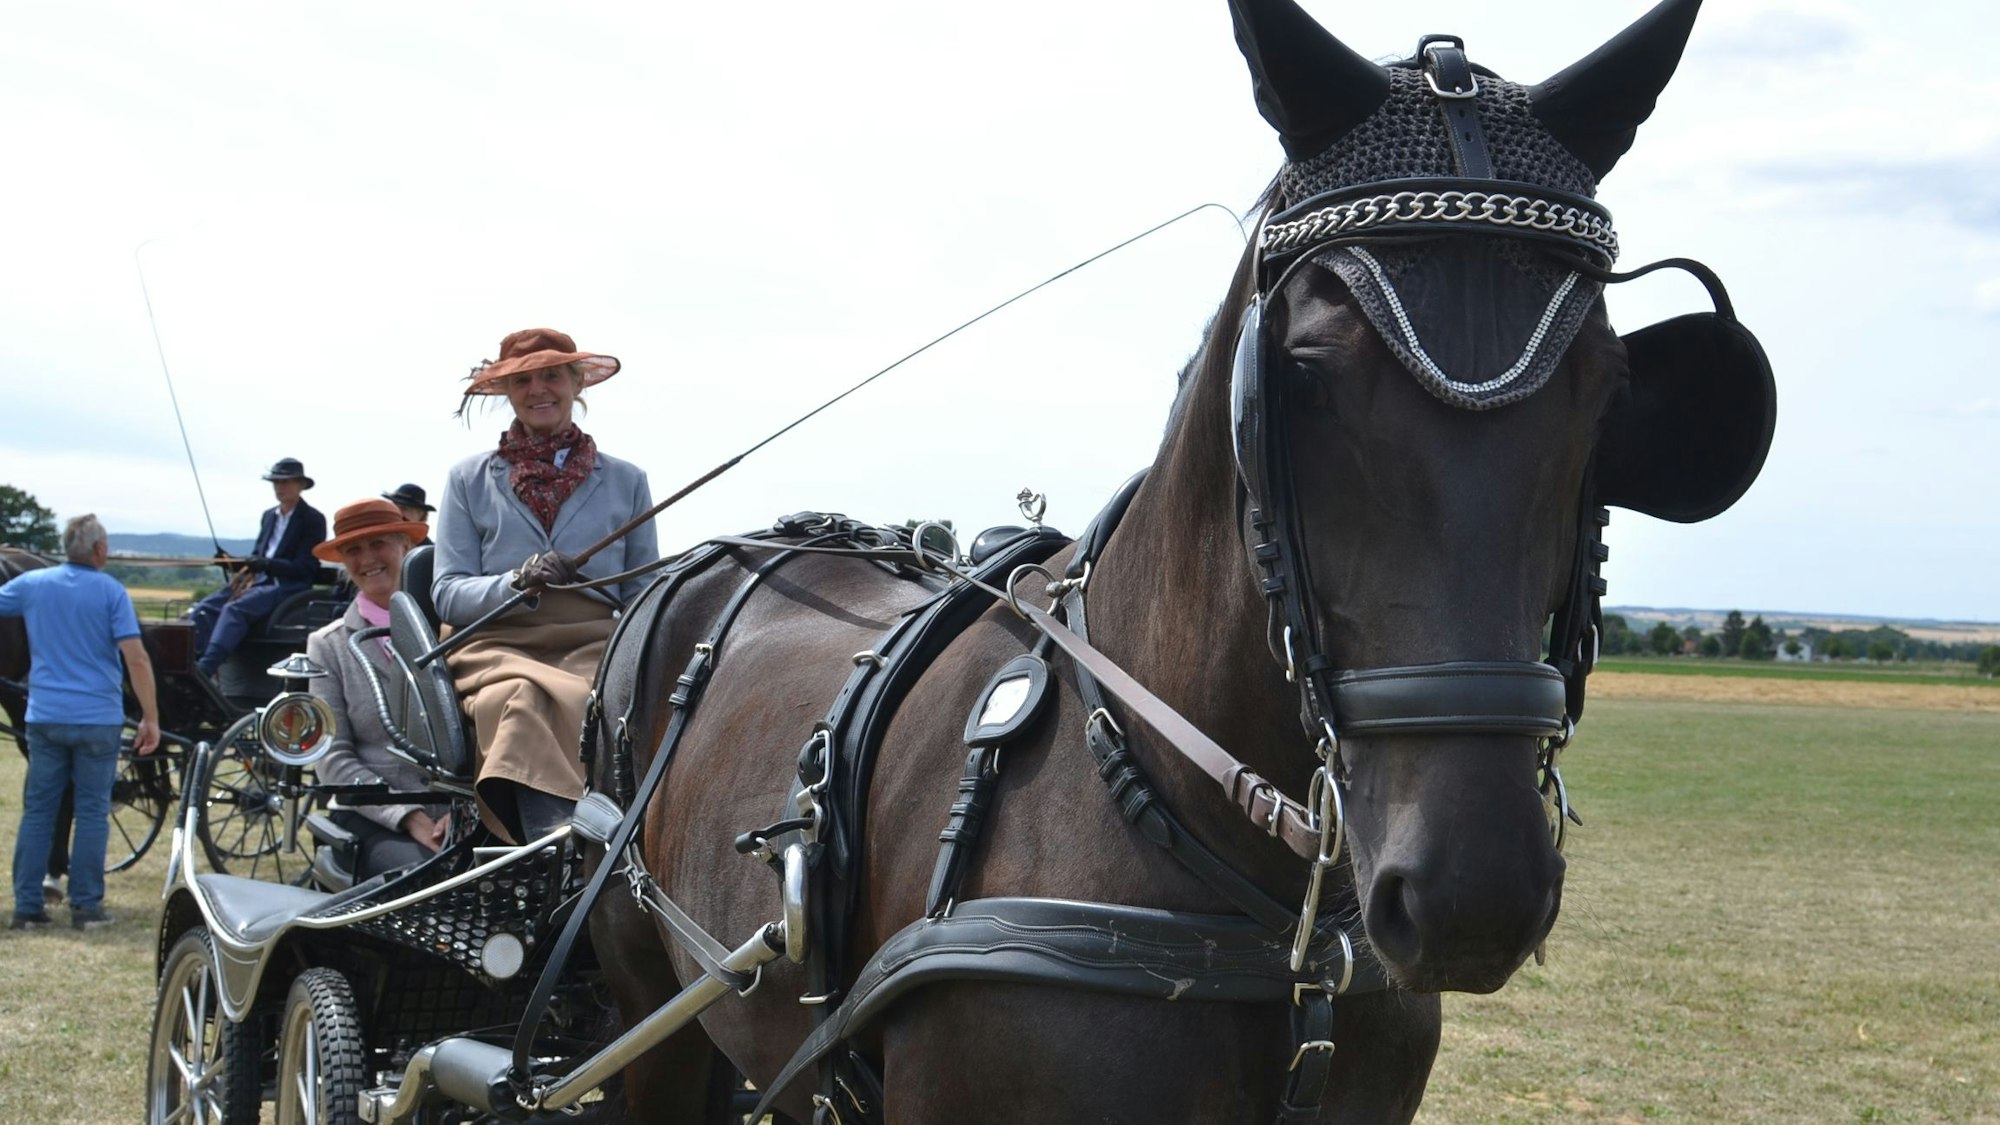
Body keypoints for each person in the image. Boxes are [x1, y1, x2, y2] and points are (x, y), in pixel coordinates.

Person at [434, 327, 658, 843]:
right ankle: (545, 847)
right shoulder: (468, 480)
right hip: (496, 642)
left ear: (577, 384)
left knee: (606, 698)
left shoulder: (627, 480)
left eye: (552, 375)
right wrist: (518, 581)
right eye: (523, 380)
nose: (539, 390)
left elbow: (642, 594)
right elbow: (447, 592)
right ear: (507, 394)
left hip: (594, 643)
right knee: (515, 700)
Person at [2, 514, 160, 930]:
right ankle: (87, 907)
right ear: (100, 551)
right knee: (91, 813)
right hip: (98, 719)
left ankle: (28, 908)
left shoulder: (32, 586)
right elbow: (137, 658)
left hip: (45, 717)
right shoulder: (112, 592)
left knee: (37, 812)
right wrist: (150, 717)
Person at [305, 499, 452, 880]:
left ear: (407, 545)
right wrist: (409, 818)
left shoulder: (455, 632)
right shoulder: (328, 646)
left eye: (379, 544)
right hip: (372, 816)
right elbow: (332, 759)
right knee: (424, 882)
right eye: (353, 550)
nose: (368, 558)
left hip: (461, 814)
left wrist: (463, 810)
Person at [190, 458, 328, 678]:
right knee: (204, 608)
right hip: (257, 583)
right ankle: (190, 659)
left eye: (286, 482)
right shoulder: (268, 516)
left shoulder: (312, 519)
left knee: (234, 609)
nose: (280, 487)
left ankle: (206, 668)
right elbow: (257, 557)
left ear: (300, 485)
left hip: (287, 587)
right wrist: (232, 562)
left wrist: (269, 565)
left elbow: (306, 567)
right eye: (276, 483)